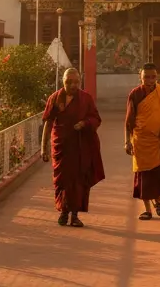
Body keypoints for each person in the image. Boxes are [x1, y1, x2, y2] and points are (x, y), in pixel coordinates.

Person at [41, 68, 105, 227]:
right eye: (69, 81)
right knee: (62, 181)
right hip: (61, 146)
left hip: (80, 146)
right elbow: (48, 123)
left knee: (78, 181)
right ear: (62, 81)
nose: (72, 85)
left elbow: (96, 118)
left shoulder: (86, 99)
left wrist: (84, 123)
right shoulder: (55, 98)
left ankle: (75, 215)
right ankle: (63, 212)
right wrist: (43, 147)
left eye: (76, 82)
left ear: (80, 82)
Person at [125, 63, 160, 220]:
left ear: (157, 77)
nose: (150, 80)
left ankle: (157, 201)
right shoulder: (135, 94)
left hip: (158, 142)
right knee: (143, 177)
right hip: (141, 141)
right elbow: (129, 122)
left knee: (157, 175)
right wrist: (127, 142)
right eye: (146, 77)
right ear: (140, 77)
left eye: (153, 77)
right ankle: (147, 209)